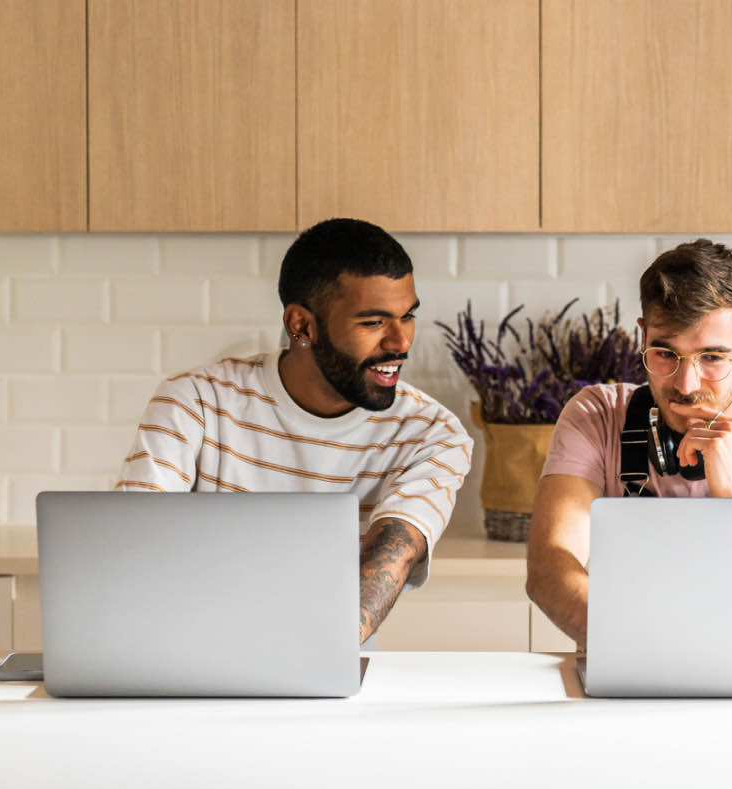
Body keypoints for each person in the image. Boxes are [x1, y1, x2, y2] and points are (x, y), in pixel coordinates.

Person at [117, 218, 473, 644]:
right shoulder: (194, 402)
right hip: (185, 657)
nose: (400, 342)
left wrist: (309, 657)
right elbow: (132, 549)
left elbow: (391, 554)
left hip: (331, 660)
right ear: (302, 324)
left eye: (407, 316)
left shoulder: (432, 434)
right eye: (373, 323)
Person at [525, 239, 732, 648]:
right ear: (642, 336)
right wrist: (658, 656)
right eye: (665, 353)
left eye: (713, 357)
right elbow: (550, 568)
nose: (686, 384)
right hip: (627, 674)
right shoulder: (596, 417)